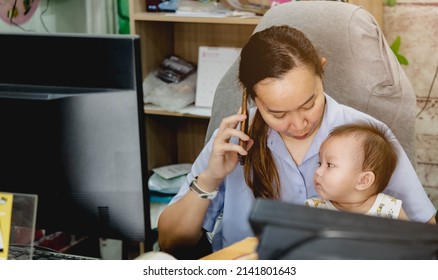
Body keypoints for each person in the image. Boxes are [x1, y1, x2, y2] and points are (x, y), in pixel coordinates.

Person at [158, 25, 436, 256]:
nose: (299, 124)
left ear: (322, 72)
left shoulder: (367, 136)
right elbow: (171, 244)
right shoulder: (232, 145)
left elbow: (425, 238)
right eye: (277, 113)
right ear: (251, 98)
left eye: (308, 104)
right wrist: (210, 177)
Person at [305, 122, 409, 220]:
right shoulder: (313, 210)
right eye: (319, 163)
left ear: (363, 180)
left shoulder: (391, 209)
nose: (318, 171)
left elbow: (411, 238)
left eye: (329, 165)